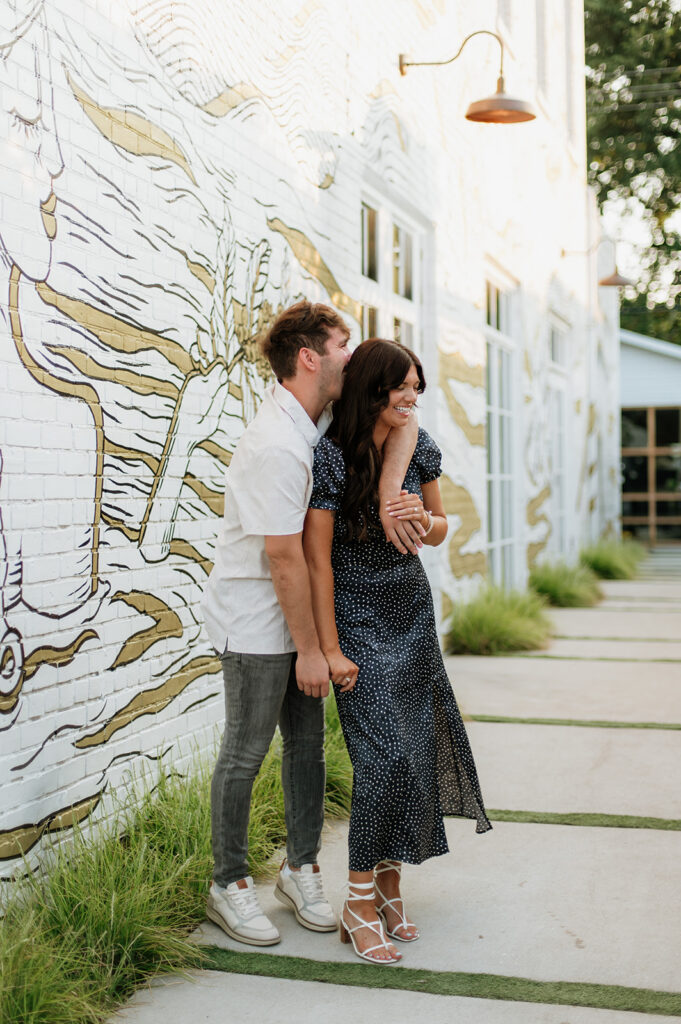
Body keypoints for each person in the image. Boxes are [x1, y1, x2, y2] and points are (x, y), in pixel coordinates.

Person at [201, 303, 422, 947]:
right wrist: (311, 650)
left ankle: (300, 868)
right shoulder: (275, 443)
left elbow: (404, 419)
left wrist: (386, 496)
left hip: (296, 615)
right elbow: (282, 554)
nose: (350, 355)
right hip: (256, 619)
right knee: (245, 752)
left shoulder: (315, 418)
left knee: (305, 747)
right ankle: (228, 882)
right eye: (342, 344)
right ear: (309, 357)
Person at [304, 338, 491, 965]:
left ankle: (387, 885)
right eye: (402, 386)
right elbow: (317, 561)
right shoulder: (331, 457)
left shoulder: (421, 444)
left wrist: (418, 513)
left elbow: (441, 528)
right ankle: (357, 901)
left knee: (410, 755)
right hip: (356, 619)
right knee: (381, 760)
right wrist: (329, 648)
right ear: (373, 389)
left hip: (411, 613)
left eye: (418, 386)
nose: (412, 396)